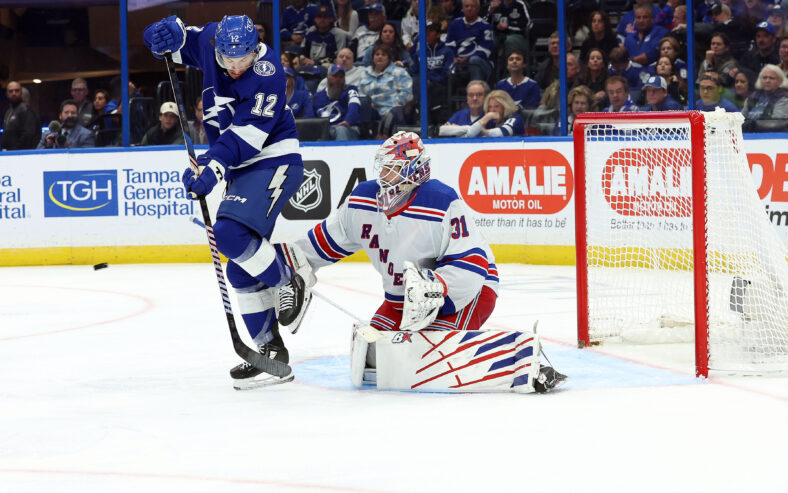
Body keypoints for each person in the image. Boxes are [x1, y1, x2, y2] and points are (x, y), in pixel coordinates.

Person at [287, 131, 567, 393]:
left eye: (391, 168)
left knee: (424, 357)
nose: (383, 174)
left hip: (469, 293)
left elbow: (473, 267)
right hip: (402, 302)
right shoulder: (362, 200)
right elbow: (317, 246)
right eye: (382, 167)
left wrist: (435, 288)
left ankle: (523, 359)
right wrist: (283, 266)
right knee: (372, 355)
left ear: (414, 171)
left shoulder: (442, 201)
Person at [144, 14, 307, 388]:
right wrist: (158, 34)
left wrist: (213, 167)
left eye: (243, 60)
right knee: (239, 269)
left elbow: (245, 138)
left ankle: (288, 281)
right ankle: (271, 352)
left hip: (274, 159)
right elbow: (177, 40)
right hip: (241, 169)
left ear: (254, 50)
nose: (235, 68)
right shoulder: (212, 41)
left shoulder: (269, 75)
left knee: (229, 236)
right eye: (228, 60)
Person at [357, 43, 413, 139]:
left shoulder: (399, 72)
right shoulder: (364, 73)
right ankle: (365, 137)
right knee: (363, 103)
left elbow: (406, 94)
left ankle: (384, 135)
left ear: (389, 58)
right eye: (377, 54)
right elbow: (360, 93)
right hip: (372, 110)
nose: (380, 57)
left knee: (394, 113)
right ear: (373, 57)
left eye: (383, 55)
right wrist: (368, 102)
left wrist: (390, 107)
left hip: (393, 109)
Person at [445, 0, 494, 83]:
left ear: (478, 9)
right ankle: (443, 93)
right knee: (447, 61)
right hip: (458, 62)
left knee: (474, 61)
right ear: (462, 9)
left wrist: (467, 59)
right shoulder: (455, 23)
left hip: (481, 63)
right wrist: (454, 58)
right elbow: (449, 45)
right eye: (466, 6)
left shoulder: (485, 26)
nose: (469, 9)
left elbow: (486, 50)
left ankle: (476, 91)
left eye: (472, 6)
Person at [313, 63, 361, 140]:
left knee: (341, 129)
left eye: (341, 77)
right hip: (326, 130)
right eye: (335, 76)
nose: (338, 79)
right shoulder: (317, 96)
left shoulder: (351, 90)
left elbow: (354, 107)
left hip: (348, 128)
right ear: (327, 77)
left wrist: (347, 122)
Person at [742, 64, 788, 132]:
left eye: (771, 78)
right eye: (764, 78)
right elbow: (741, 118)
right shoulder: (753, 96)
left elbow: (777, 124)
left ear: (780, 81)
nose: (767, 81)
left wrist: (752, 125)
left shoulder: (784, 99)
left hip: (770, 137)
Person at [300, 4, 348, 68]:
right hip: (309, 65)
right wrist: (301, 58)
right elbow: (302, 50)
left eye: (325, 17)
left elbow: (339, 57)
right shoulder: (311, 31)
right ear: (315, 19)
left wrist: (316, 63)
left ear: (331, 19)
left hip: (328, 66)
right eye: (319, 17)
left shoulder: (339, 34)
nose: (322, 19)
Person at [2, 81, 39, 150]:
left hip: (21, 154)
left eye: (17, 90)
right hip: (8, 153)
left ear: (21, 92)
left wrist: (16, 150)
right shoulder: (9, 112)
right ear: (7, 94)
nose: (14, 93)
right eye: (11, 91)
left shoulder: (26, 110)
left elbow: (28, 135)